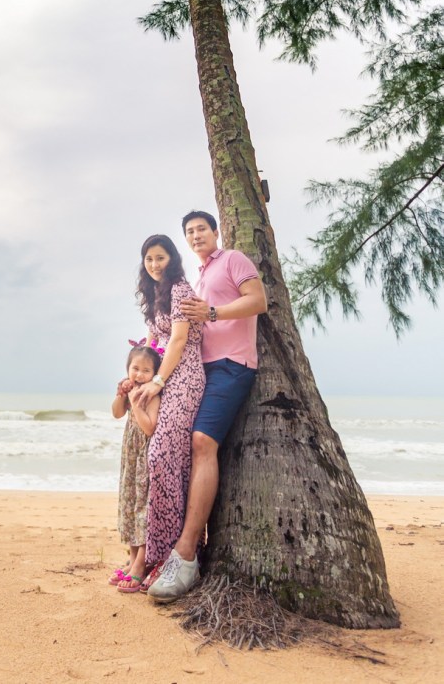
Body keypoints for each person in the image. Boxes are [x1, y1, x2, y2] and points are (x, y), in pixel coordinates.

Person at [144, 210, 267, 603]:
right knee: (176, 448)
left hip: (231, 364)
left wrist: (212, 312)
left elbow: (259, 301)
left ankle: (186, 554)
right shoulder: (193, 279)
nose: (196, 235)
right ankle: (162, 549)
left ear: (216, 231)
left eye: (201, 229)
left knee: (201, 443)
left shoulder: (233, 259)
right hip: (198, 371)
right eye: (189, 232)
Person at [129, 234, 206, 588]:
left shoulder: (178, 289)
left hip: (185, 375)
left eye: (160, 257)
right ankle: (153, 555)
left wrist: (157, 382)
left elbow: (176, 340)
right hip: (162, 375)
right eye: (149, 259)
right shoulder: (154, 295)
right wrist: (136, 377)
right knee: (163, 457)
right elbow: (151, 343)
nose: (154, 264)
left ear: (171, 258)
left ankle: (165, 555)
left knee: (162, 455)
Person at [109, 344, 162, 593]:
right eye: (135, 368)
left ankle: (141, 563)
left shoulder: (151, 395)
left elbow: (149, 428)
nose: (139, 375)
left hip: (143, 458)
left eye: (146, 370)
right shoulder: (130, 391)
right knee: (130, 505)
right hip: (129, 459)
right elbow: (117, 413)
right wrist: (122, 395)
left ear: (155, 373)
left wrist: (136, 403)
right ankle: (132, 561)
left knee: (142, 506)